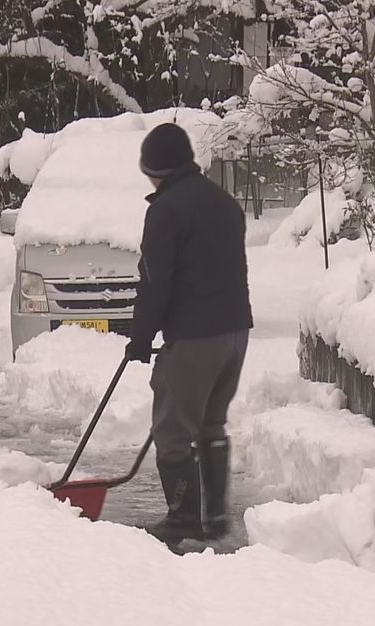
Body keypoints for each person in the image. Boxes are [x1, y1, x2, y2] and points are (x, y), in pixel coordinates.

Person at [125, 123, 253, 543]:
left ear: (156, 169)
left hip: (196, 339)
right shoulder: (225, 204)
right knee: (210, 424)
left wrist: (141, 338)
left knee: (173, 431)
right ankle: (213, 518)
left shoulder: (165, 210)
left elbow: (155, 281)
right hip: (235, 332)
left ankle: (183, 518)